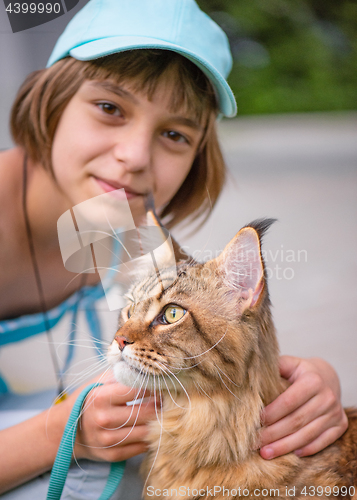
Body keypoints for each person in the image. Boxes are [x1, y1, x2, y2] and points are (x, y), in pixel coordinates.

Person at [0, 0, 348, 497]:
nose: (135, 157)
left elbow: (208, 342)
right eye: (109, 108)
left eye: (173, 134)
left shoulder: (127, 221)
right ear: (50, 99)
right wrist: (64, 433)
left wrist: (309, 384)